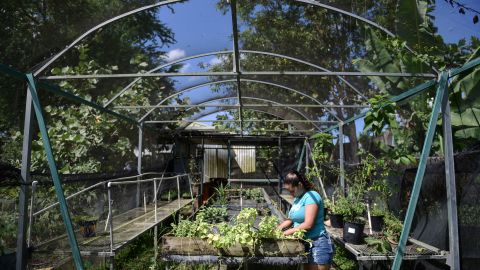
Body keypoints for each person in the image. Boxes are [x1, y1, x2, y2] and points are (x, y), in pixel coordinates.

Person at [277, 170, 334, 270]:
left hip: (318, 244)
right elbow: (290, 219)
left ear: (299, 185)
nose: (291, 194)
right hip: (304, 244)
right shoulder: (297, 199)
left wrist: (286, 233)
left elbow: (308, 224)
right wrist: (277, 229)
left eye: (292, 190)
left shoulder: (312, 196)